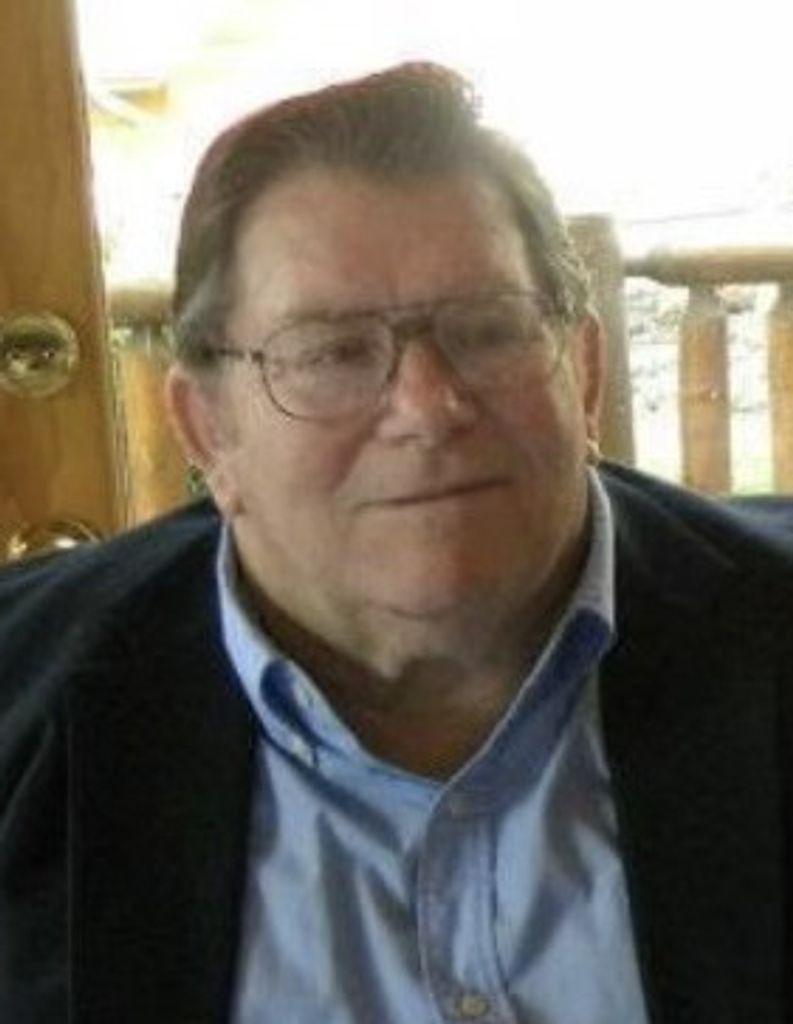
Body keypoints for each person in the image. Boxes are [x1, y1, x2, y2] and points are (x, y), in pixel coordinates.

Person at [1, 62, 792, 1024]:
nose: (428, 405)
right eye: (333, 352)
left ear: (582, 373)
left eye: (486, 331)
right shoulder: (23, 694)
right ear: (209, 431)